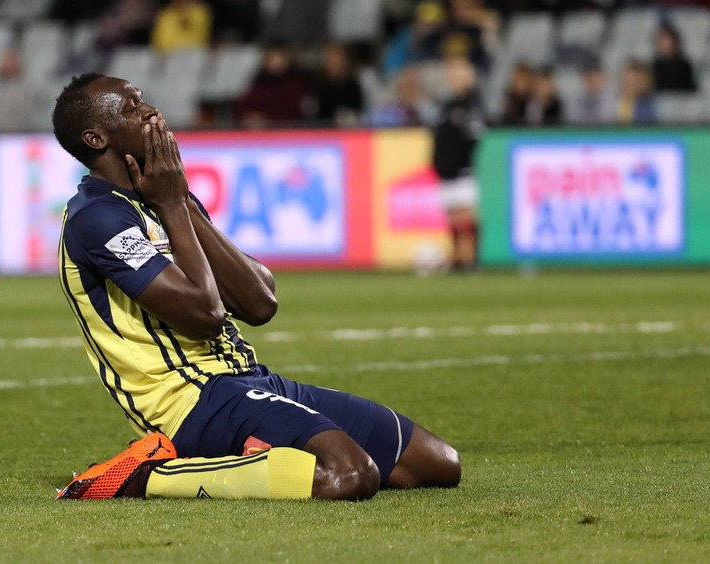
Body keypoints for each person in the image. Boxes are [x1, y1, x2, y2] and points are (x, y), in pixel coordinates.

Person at [51, 73, 461, 501]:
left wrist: (180, 203)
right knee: (349, 475)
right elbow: (205, 317)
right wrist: (172, 204)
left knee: (437, 463)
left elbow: (261, 302)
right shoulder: (95, 219)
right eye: (133, 108)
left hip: (248, 380)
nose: (153, 113)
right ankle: (144, 476)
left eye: (145, 101)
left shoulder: (166, 197)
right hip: (187, 402)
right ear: (96, 138)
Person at [432, 57, 484, 271]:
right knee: (453, 216)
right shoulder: (446, 106)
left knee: (465, 214)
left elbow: (474, 137)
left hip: (461, 170)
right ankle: (458, 258)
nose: (452, 79)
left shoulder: (470, 106)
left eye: (457, 75)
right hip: (445, 171)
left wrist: (459, 161)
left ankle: (472, 258)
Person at [652, 24, 697, 93]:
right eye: (661, 42)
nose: (664, 45)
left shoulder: (684, 66)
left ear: (674, 42)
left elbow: (689, 89)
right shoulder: (654, 66)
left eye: (667, 41)